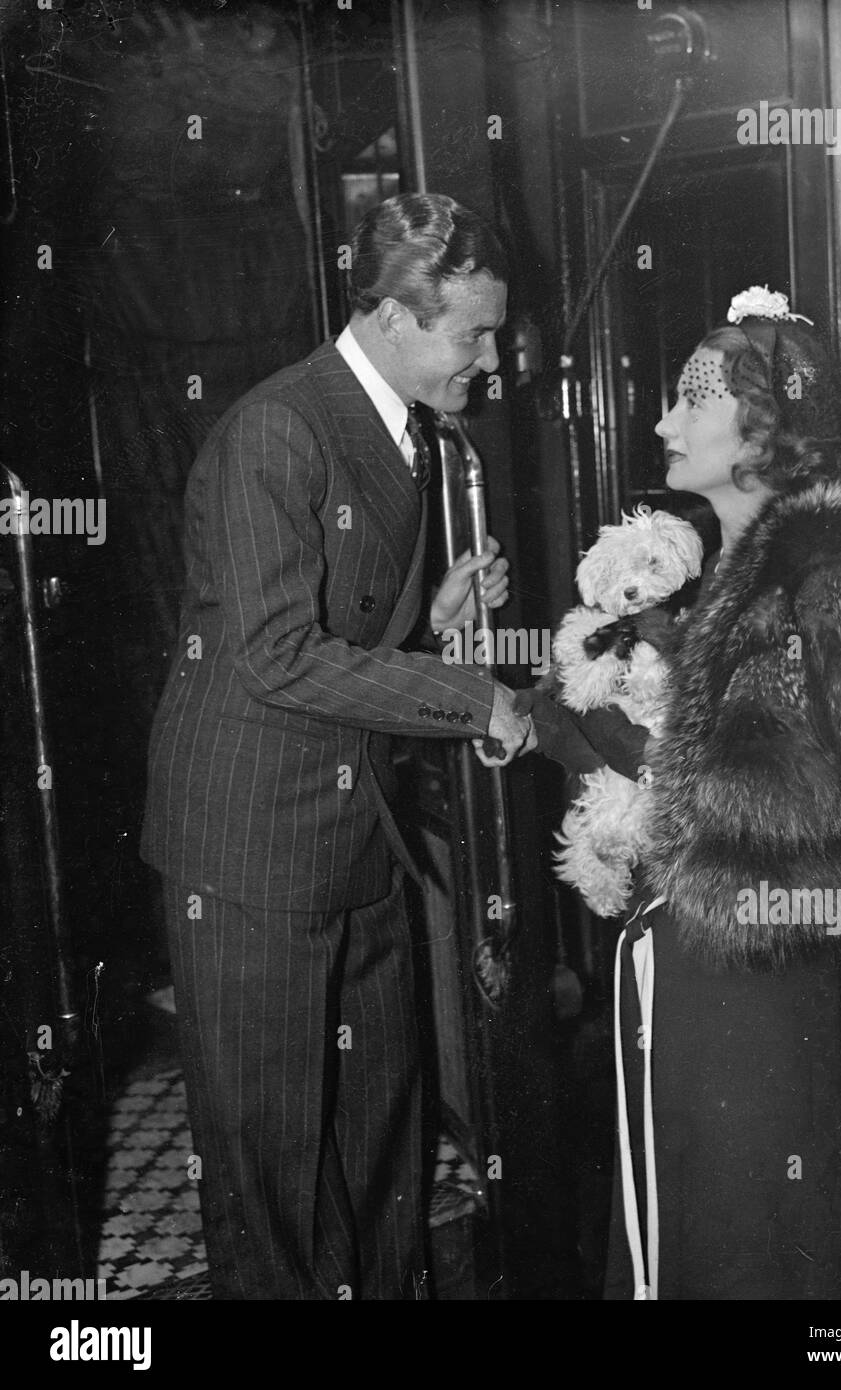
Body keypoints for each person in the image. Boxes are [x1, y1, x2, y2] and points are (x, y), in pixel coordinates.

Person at [524, 287, 841, 1300]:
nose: (661, 420)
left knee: (743, 1239)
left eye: (690, 399)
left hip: (746, 973)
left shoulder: (821, 571)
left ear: (760, 428)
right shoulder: (742, 563)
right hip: (715, 960)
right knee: (709, 1224)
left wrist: (595, 738)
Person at [140, 193, 534, 1300]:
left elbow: (335, 628)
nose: (491, 359)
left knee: (379, 1138)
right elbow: (271, 655)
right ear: (397, 317)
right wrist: (466, 693)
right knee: (271, 1163)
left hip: (352, 831)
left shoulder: (390, 429)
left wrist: (424, 621)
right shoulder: (279, 428)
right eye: (474, 336)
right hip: (250, 845)